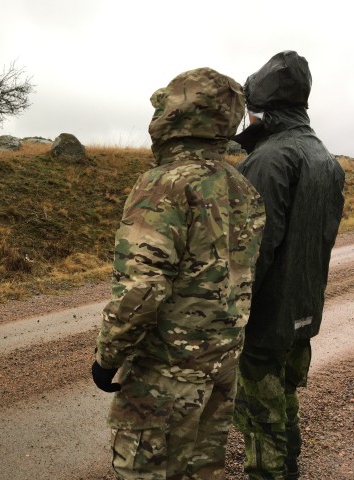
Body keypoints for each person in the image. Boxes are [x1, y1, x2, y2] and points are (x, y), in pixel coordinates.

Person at [92, 67, 266, 479]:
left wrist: (107, 356)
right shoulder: (243, 188)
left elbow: (142, 289)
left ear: (174, 115)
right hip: (221, 370)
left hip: (165, 376)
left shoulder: (163, 184)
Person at [231, 51, 345, 480]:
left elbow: (253, 254)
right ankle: (290, 466)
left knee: (261, 420)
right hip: (304, 310)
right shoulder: (326, 159)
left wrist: (231, 315)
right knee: (286, 398)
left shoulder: (268, 160)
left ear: (263, 109)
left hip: (266, 319)